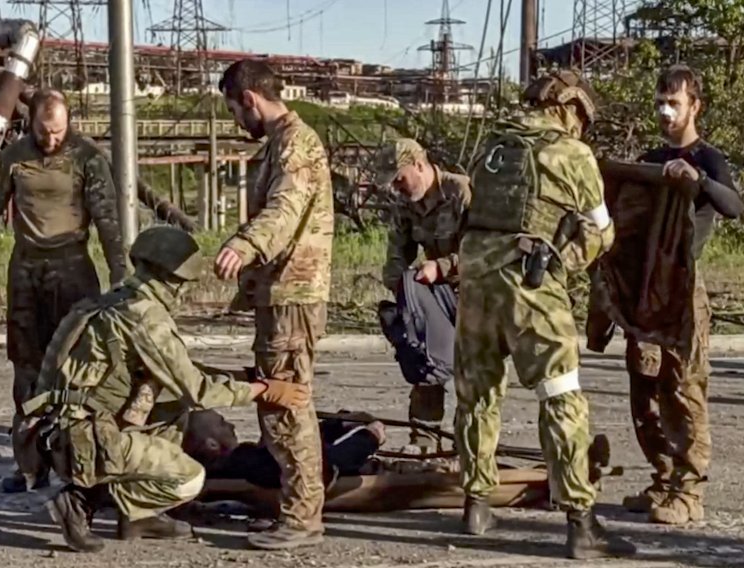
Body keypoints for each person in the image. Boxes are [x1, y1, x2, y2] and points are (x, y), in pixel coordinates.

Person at [18, 225, 311, 553]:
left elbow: (173, 373)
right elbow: (198, 391)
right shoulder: (146, 318)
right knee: (189, 479)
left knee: (172, 409)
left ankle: (140, 517)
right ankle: (82, 499)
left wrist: (237, 376)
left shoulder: (112, 302)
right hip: (80, 441)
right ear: (174, 279)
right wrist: (263, 390)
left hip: (53, 432)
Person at [455, 69, 636, 559]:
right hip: (530, 288)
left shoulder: (491, 147)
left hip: (474, 282)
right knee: (560, 396)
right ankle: (582, 523)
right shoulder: (572, 154)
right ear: (569, 108)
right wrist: (567, 261)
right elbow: (602, 230)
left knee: (477, 392)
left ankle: (476, 503)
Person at [0, 88, 126, 494]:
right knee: (26, 368)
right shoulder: (16, 155)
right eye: (44, 133)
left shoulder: (87, 158)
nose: (51, 140)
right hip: (26, 273)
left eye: (58, 132)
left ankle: (79, 464)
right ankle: (29, 464)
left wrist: (121, 275)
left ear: (69, 124)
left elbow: (108, 222)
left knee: (76, 369)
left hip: (73, 272)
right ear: (31, 124)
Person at [213, 60, 334, 550]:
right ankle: (293, 508)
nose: (237, 122)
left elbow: (283, 210)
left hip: (294, 295)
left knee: (287, 404)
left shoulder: (296, 146)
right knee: (276, 405)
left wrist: (244, 246)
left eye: (234, 110)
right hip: (279, 292)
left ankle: (303, 518)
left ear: (249, 100)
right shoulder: (280, 144)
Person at [621, 65, 743, 525]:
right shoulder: (650, 157)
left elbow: (733, 207)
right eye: (659, 102)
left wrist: (698, 180)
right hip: (645, 288)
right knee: (644, 390)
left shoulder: (708, 158)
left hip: (684, 290)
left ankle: (690, 491)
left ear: (696, 105)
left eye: (674, 102)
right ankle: (662, 477)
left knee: (685, 389)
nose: (665, 111)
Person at [374, 138, 471, 452]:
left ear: (419, 165)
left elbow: (485, 251)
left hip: (475, 292)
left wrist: (442, 267)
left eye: (400, 178)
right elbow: (396, 254)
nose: (397, 187)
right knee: (424, 361)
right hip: (436, 294)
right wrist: (402, 287)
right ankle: (424, 439)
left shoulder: (461, 193)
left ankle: (469, 443)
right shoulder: (406, 203)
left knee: (475, 375)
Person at [186, 409, 386, 488]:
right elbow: (316, 465)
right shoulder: (243, 461)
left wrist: (335, 425)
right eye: (222, 424)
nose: (232, 426)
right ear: (211, 445)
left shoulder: (240, 460)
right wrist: (369, 438)